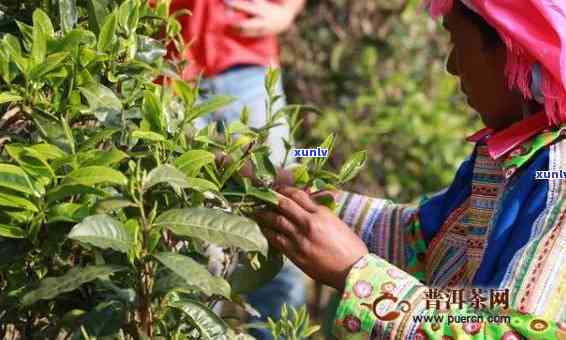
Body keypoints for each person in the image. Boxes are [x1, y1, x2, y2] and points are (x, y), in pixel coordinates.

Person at [254, 0, 566, 338]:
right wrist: (278, 184)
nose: (452, 66)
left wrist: (357, 275)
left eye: (456, 41)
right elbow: (420, 240)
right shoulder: (517, 159)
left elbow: (518, 331)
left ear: (512, 49)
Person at [167, 1, 306, 339]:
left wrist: (288, 10)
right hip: (169, 73)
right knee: (191, 233)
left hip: (245, 64)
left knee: (279, 207)